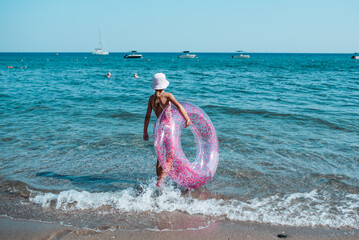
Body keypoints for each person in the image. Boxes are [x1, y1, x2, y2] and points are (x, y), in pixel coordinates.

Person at [143, 73, 192, 187]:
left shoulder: (151, 98)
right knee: (170, 155)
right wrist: (187, 119)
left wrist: (145, 131)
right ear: (164, 85)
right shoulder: (168, 95)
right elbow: (179, 106)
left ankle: (158, 179)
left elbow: (147, 116)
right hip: (169, 128)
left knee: (160, 156)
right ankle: (161, 180)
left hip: (158, 128)